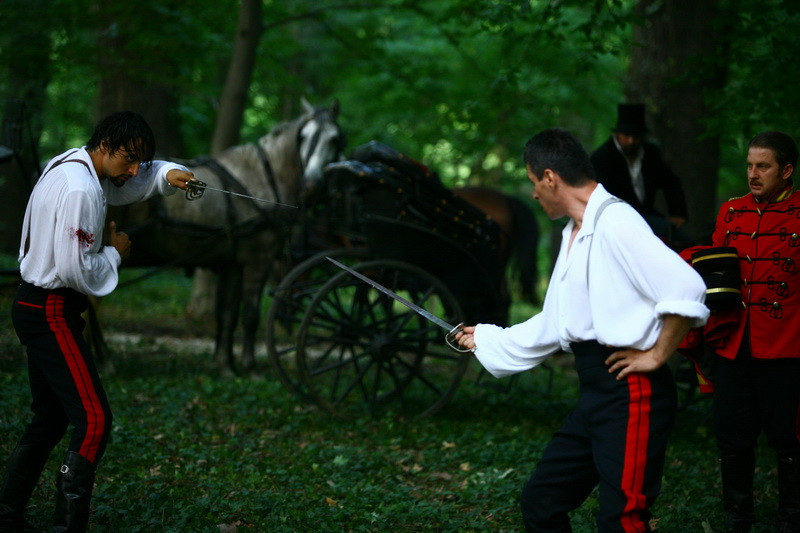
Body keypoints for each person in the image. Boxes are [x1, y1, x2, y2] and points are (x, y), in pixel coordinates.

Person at [455, 128, 709, 532]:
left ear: (551, 177)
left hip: (632, 392)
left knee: (621, 520)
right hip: (595, 393)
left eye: (534, 182)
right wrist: (486, 337)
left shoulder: (616, 221)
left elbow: (687, 286)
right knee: (542, 502)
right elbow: (556, 321)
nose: (534, 194)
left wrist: (658, 354)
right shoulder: (574, 231)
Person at [0, 111, 194, 533]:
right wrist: (117, 251)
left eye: (142, 161)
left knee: (50, 418)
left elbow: (130, 182)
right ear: (105, 145)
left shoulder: (73, 161)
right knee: (94, 420)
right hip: (50, 310)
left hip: (35, 305)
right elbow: (77, 272)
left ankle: (7, 515)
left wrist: (168, 174)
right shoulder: (82, 190)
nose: (134, 170)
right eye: (129, 158)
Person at [685, 131, 800, 533]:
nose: (753, 174)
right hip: (734, 343)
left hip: (787, 345)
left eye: (763, 166)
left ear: (786, 171)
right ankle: (739, 515)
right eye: (750, 165)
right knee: (732, 436)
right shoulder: (731, 212)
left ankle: (791, 517)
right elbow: (714, 270)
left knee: (789, 439)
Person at [590, 103, 689, 243]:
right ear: (617, 134)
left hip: (647, 218)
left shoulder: (651, 154)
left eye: (635, 135)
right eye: (626, 135)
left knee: (683, 242)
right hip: (615, 221)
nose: (631, 140)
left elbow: (671, 182)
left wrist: (678, 213)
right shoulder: (602, 158)